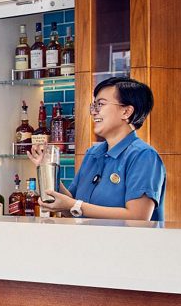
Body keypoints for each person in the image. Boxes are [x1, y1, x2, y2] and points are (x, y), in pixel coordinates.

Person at [30, 75, 166, 221]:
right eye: (94, 106)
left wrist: (75, 205)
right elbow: (71, 208)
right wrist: (47, 169)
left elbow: (138, 217)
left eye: (100, 104)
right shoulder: (93, 154)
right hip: (89, 241)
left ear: (126, 112)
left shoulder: (144, 156)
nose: (94, 112)